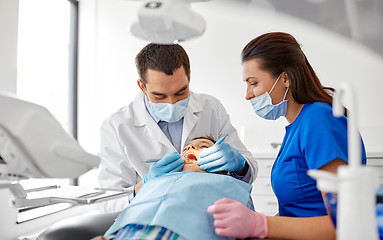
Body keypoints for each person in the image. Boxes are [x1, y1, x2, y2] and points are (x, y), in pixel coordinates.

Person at [207, 32, 367, 240]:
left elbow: (345, 223)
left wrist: (260, 224)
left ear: (285, 79)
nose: (247, 94)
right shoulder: (297, 126)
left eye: (253, 83)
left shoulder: (319, 120)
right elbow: (297, 212)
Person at [97, 43, 258, 212]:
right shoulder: (116, 127)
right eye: (159, 96)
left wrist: (240, 165)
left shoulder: (211, 108)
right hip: (151, 216)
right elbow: (107, 203)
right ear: (142, 87)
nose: (172, 103)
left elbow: (249, 170)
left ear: (189, 78)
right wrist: (144, 186)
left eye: (181, 92)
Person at [93, 137, 254, 240]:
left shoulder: (232, 186)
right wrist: (145, 183)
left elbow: (250, 225)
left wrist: (240, 166)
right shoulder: (155, 181)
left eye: (203, 146)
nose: (190, 149)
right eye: (186, 149)